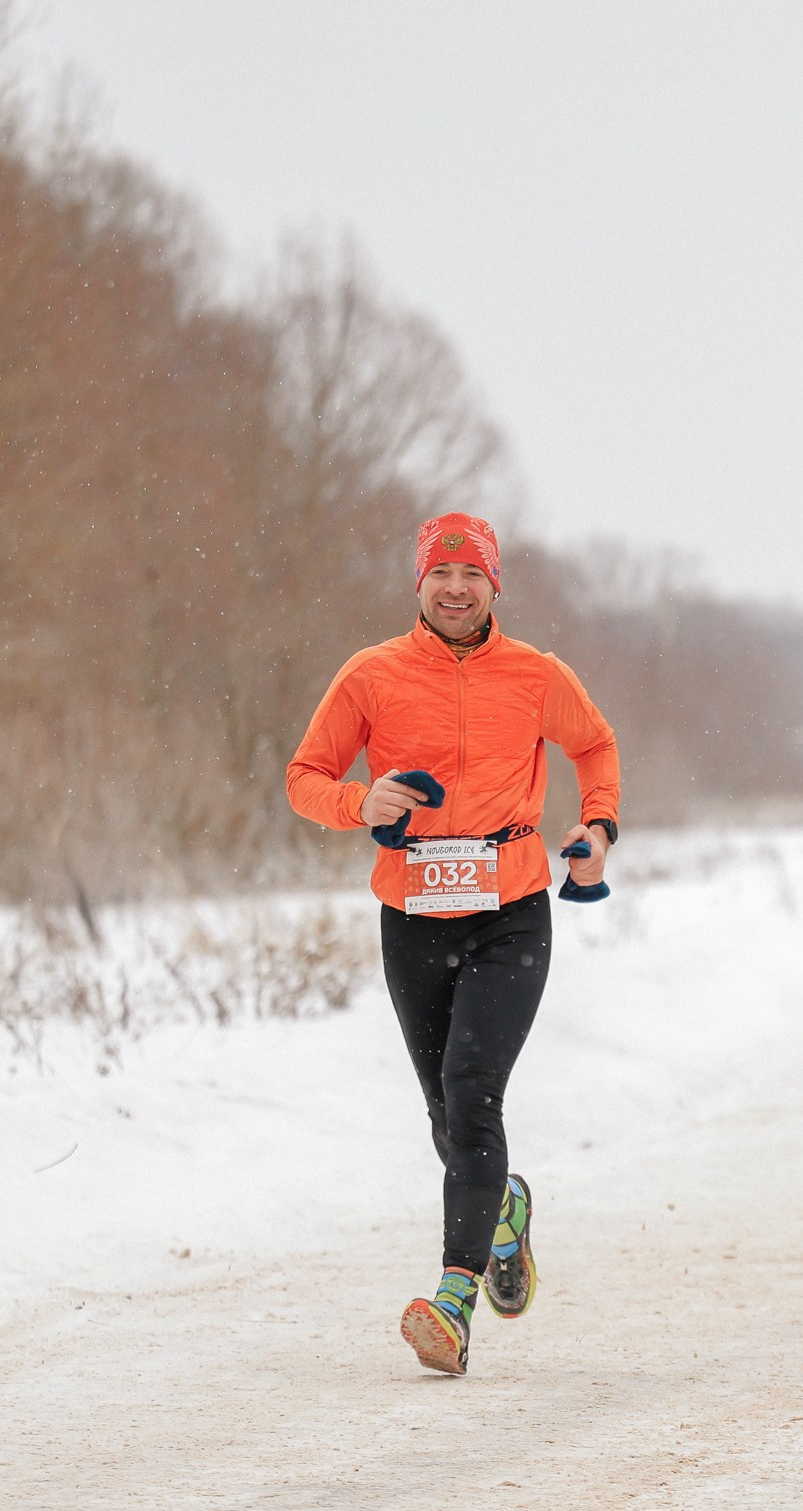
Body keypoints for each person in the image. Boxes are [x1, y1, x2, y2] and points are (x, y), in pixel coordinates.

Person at [287, 513, 620, 1378]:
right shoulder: (372, 675)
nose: (457, 589)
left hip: (511, 908)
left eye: (473, 576)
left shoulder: (536, 675)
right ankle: (502, 1205)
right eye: (442, 575)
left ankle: (454, 1303)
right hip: (413, 914)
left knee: (473, 1096)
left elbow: (594, 745)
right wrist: (364, 803)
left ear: (494, 586)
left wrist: (598, 826)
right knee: (445, 1113)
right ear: (420, 584)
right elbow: (305, 778)